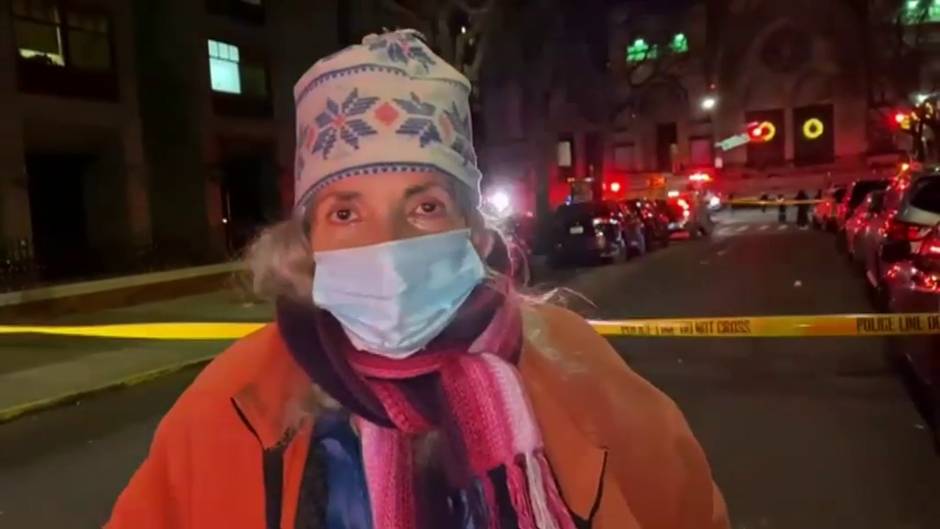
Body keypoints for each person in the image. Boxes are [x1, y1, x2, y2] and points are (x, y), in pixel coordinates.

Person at [107, 29, 727, 529]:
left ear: (474, 233)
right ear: (306, 244)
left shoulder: (582, 377)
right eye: (346, 213)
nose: (388, 246)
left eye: (424, 206)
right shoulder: (230, 404)